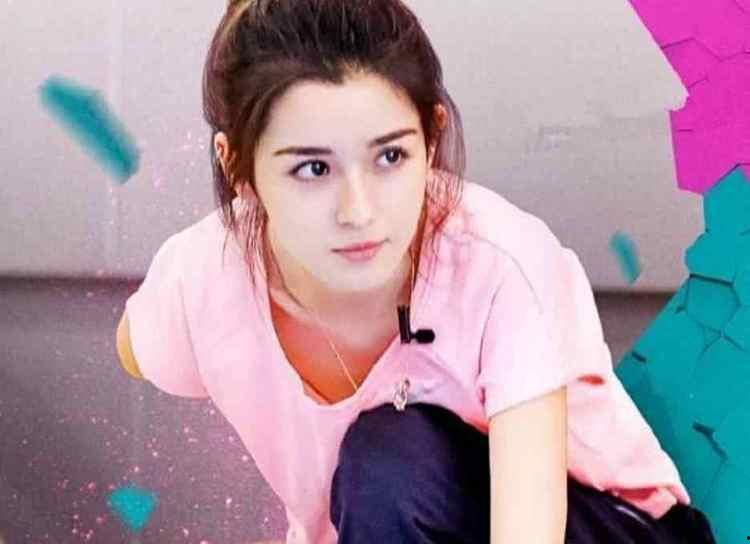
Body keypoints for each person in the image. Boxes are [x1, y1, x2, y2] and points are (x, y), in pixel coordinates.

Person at [116, 0, 717, 542]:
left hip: (608, 527)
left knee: (389, 462)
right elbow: (135, 349)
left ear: (431, 139)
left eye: (390, 156)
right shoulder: (203, 281)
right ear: (237, 168)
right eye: (312, 169)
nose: (359, 211)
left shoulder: (499, 265)